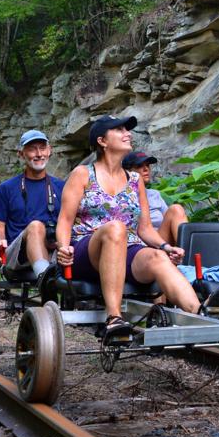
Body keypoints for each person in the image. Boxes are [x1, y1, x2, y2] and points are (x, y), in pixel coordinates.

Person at [54, 115, 202, 336]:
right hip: (87, 251)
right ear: (102, 141)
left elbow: (144, 229)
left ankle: (200, 313)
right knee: (116, 229)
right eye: (119, 130)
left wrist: (165, 247)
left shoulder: (135, 180)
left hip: (127, 249)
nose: (128, 133)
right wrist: (63, 248)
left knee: (157, 257)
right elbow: (65, 220)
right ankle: (114, 318)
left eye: (127, 129)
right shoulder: (83, 174)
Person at [0, 130, 67, 293]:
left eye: (42, 148)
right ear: (21, 154)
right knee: (36, 226)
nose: (38, 154)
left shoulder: (61, 187)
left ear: (49, 150)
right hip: (17, 256)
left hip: (53, 252)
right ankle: (46, 279)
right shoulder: (7, 188)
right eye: (32, 149)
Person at [121, 151, 189, 246]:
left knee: (176, 209)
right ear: (127, 171)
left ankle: (189, 255)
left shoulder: (154, 194)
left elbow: (171, 219)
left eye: (148, 165)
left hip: (162, 240)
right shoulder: (121, 197)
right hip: (138, 244)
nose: (146, 169)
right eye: (139, 166)